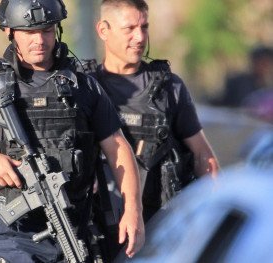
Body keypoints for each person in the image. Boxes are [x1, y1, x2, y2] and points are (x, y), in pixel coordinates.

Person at [0, 0, 145, 261]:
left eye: (47, 30)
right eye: (29, 32)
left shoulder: (83, 87)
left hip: (73, 227)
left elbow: (118, 148)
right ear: (9, 31)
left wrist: (133, 210)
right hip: (12, 234)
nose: (40, 40)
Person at [92, 0, 220, 223]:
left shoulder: (169, 87)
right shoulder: (83, 87)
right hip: (99, 226)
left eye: (144, 27)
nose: (140, 38)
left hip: (159, 221)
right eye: (129, 29)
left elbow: (203, 157)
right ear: (103, 30)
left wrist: (213, 216)